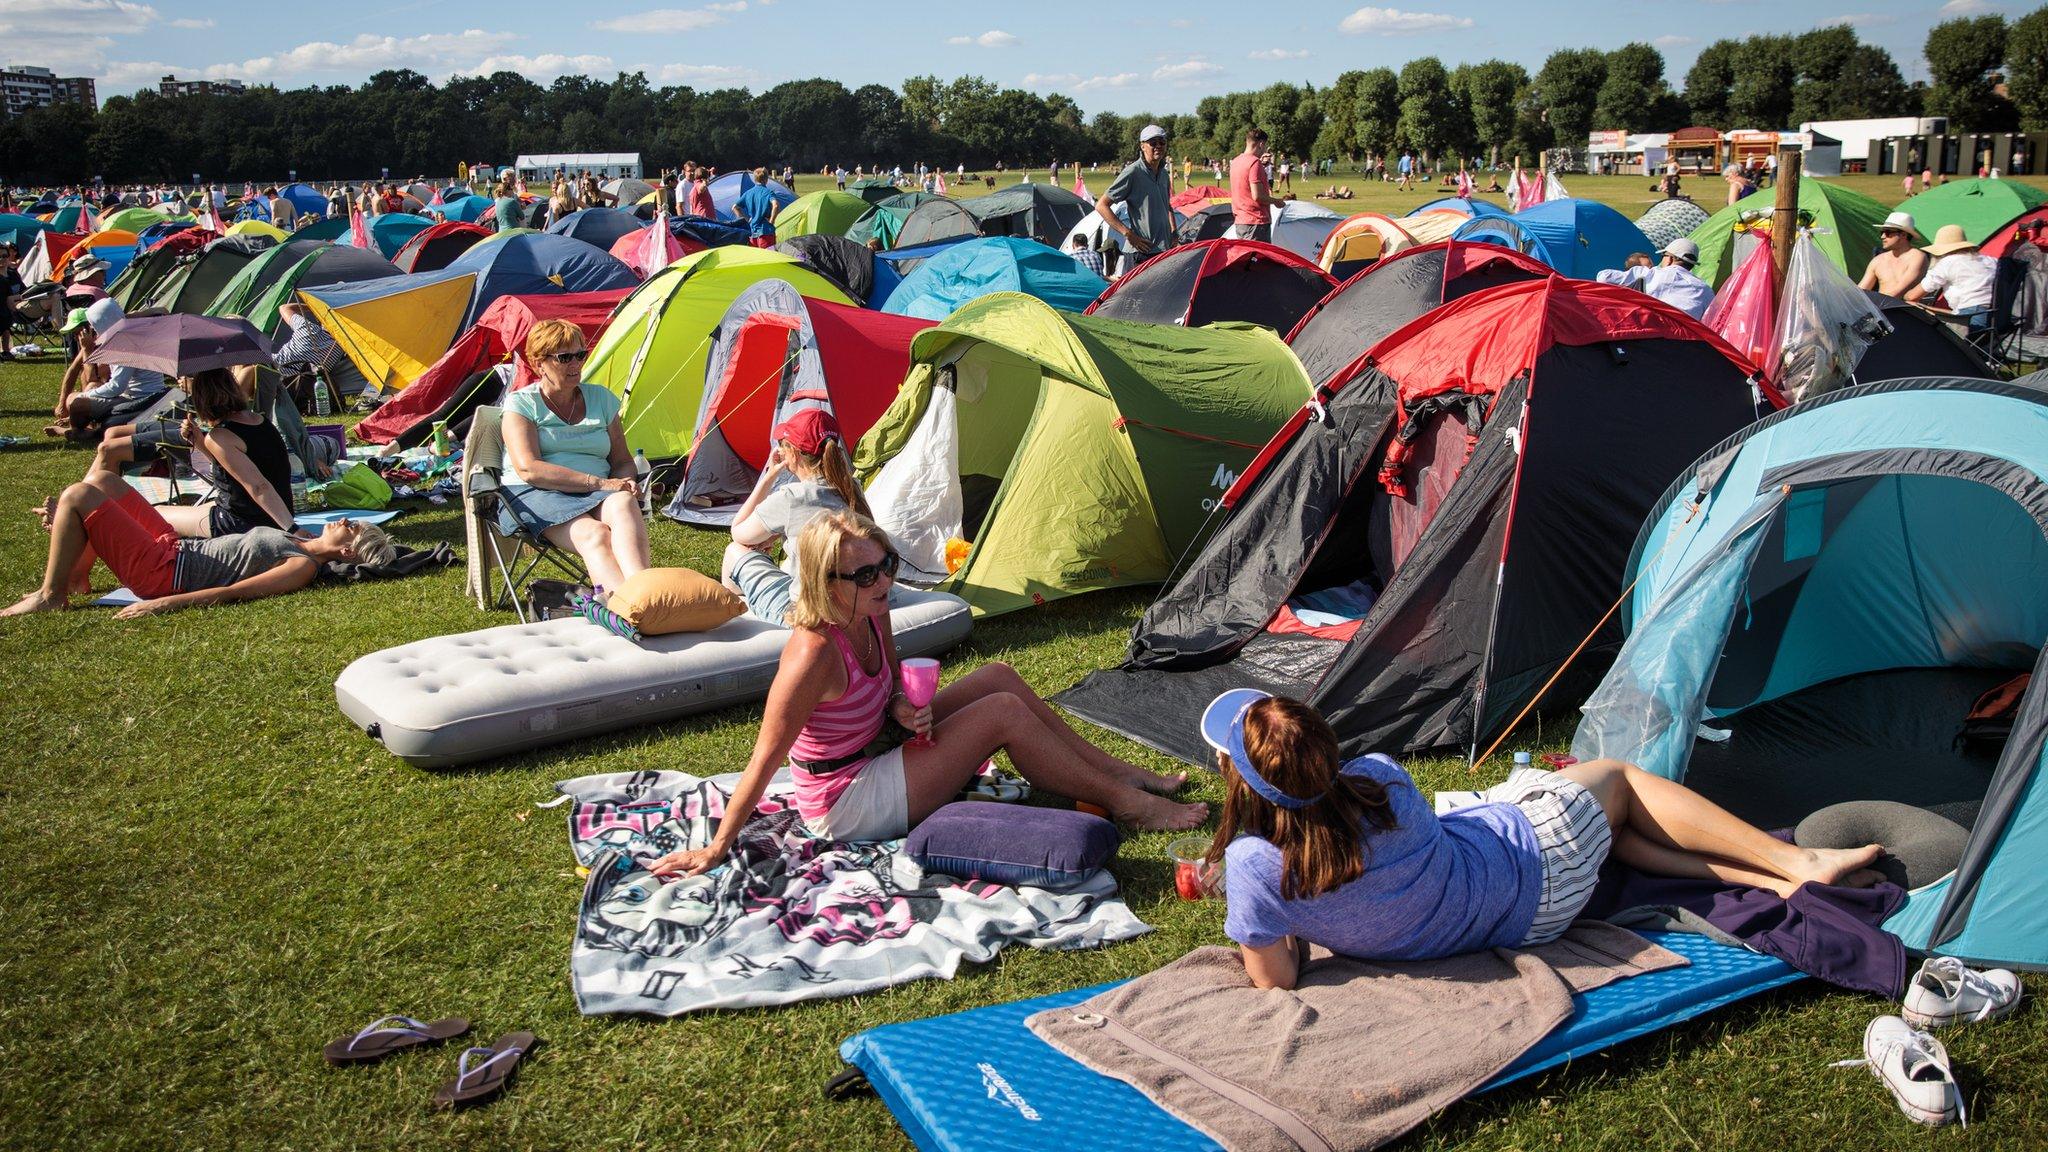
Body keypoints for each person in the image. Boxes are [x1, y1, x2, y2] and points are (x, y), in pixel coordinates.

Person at [1200, 691, 1883, 990]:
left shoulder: (1256, 870)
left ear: (1243, 784)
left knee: (1608, 829)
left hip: (1522, 922)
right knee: (1617, 781)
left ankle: (1774, 880)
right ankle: (1795, 859)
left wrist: (1282, 924)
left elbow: (1276, 979)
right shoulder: (1381, 782)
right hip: (1540, 867)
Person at [647, 512, 1204, 870]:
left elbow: (889, 685)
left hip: (877, 745)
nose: (883, 581)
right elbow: (766, 757)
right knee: (1001, 713)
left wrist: (899, 709)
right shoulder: (812, 653)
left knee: (1000, 678)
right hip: (845, 799)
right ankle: (1129, 804)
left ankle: (1122, 775)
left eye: (884, 565)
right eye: (864, 575)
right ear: (826, 582)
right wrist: (719, 845)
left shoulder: (871, 611)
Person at [3, 476, 395, 620]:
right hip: (176, 548)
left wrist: (161, 604)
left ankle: (51, 595)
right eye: (352, 520)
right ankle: (76, 572)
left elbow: (232, 593)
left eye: (353, 528)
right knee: (106, 480)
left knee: (78, 494)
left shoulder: (302, 566)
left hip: (164, 572)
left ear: (347, 553)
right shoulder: (302, 539)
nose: (346, 520)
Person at [496, 318, 650, 592]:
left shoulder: (601, 399)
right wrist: (601, 484)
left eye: (580, 354)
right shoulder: (521, 403)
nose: (575, 364)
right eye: (564, 357)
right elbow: (529, 469)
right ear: (538, 363)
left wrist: (625, 482)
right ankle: (625, 609)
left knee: (624, 502)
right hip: (536, 492)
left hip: (596, 491)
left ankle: (645, 593)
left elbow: (622, 460)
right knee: (595, 534)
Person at [719, 409, 869, 624]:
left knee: (734, 551)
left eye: (782, 444)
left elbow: (738, 531)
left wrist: (769, 476)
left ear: (794, 453)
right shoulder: (851, 487)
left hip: (806, 613)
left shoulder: (792, 497)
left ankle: (735, 614)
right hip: (849, 601)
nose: (779, 449)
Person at [50, 299, 167, 442]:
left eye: (93, 324)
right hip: (136, 394)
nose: (92, 329)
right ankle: (80, 431)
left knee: (76, 403)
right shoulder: (124, 333)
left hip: (141, 399)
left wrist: (85, 395)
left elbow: (116, 386)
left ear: (101, 323)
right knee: (77, 395)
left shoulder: (124, 343)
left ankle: (76, 433)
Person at [1097, 124, 1177, 260]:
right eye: (1153, 143)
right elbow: (1101, 206)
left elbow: (1167, 206)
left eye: (1162, 142)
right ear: (1142, 146)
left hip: (1164, 250)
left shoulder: (1164, 173)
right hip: (1142, 253)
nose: (1158, 146)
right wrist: (1128, 234)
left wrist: (1174, 231)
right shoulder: (1133, 172)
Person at [1907, 225, 1999, 334]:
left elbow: (1913, 296)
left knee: (1910, 304)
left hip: (1971, 323)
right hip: (1999, 319)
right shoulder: (1991, 261)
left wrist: (1904, 296)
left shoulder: (1947, 263)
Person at [1859, 212, 1933, 298]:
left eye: (1888, 232)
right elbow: (1861, 291)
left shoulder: (1917, 257)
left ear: (1903, 235)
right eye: (1882, 232)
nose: (1882, 236)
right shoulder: (1878, 260)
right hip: (1880, 306)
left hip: (1903, 309)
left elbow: (1900, 291)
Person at [1640, 238, 1715, 320]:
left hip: (1650, 327)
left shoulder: (1653, 273)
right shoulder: (1707, 291)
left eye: (1663, 255)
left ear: (1670, 259)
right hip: (1685, 331)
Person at [1229, 128, 1278, 244]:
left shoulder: (1235, 161)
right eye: (1265, 146)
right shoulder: (1255, 163)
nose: (1264, 149)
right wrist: (1276, 201)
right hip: (1256, 221)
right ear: (1261, 144)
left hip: (1240, 220)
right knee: (1259, 260)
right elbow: (1257, 196)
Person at [735, 168, 780, 248]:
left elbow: (735, 207)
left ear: (754, 179)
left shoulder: (748, 193)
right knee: (769, 258)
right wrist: (771, 220)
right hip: (766, 232)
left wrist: (747, 218)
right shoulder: (768, 192)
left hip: (753, 232)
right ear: (766, 179)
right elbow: (775, 205)